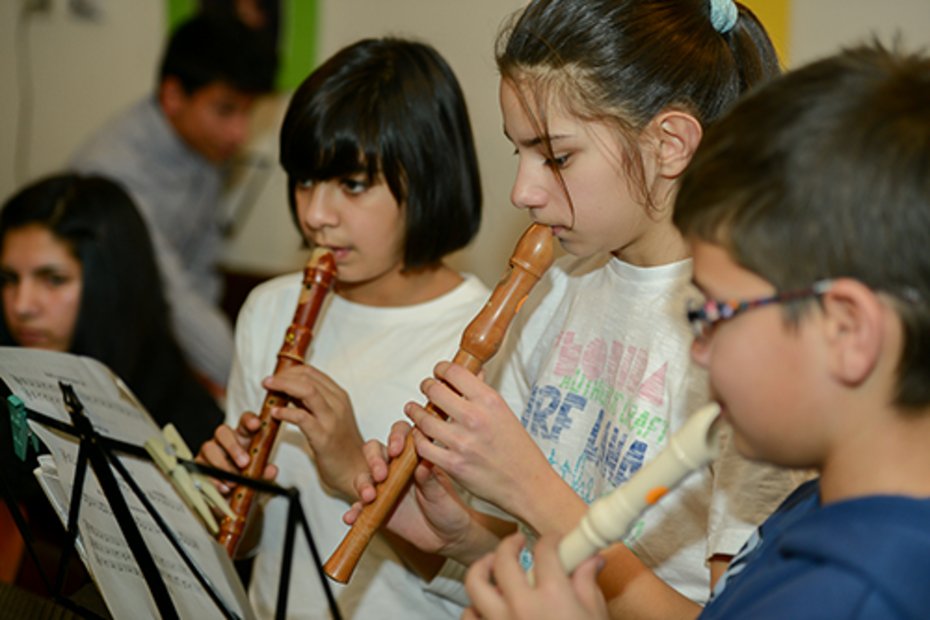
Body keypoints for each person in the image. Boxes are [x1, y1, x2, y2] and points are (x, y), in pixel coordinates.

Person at [349, 0, 808, 615]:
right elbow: (545, 555)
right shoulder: (561, 288)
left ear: (669, 144)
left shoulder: (751, 340)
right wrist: (458, 533)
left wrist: (533, 489)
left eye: (557, 157)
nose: (523, 192)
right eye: (520, 153)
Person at [462, 41, 930, 620]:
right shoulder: (812, 512)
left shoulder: (857, 594)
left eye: (714, 314)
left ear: (848, 330)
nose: (699, 353)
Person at [196, 38, 489, 618]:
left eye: (352, 185)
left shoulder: (482, 338)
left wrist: (357, 470)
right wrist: (227, 498)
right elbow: (256, 541)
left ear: (426, 176)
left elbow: (486, 573)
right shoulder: (270, 309)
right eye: (305, 182)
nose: (315, 215)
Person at [0, 173, 225, 598]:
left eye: (53, 279)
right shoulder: (9, 384)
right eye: (9, 279)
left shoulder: (186, 418)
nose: (22, 305)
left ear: (112, 285)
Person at [71, 13, 277, 394]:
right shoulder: (114, 170)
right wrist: (247, 384)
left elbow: (201, 269)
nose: (240, 133)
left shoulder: (204, 147)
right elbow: (172, 292)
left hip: (159, 346)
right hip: (94, 354)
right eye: (226, 109)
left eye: (248, 112)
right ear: (172, 97)